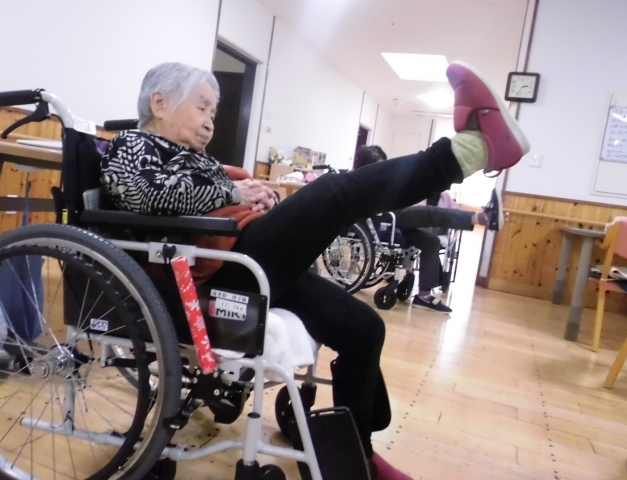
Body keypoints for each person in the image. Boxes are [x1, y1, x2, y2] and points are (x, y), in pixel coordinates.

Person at [101, 61, 530, 480]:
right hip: (209, 275)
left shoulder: (196, 157)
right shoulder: (132, 145)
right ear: (159, 103)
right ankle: (469, 151)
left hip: (247, 256)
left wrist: (258, 197)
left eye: (214, 110)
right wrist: (233, 192)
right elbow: (141, 196)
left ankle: (356, 456)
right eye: (202, 107)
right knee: (333, 191)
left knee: (362, 328)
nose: (211, 120)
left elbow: (219, 197)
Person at [355, 145, 502, 314]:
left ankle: (424, 296)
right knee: (426, 212)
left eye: (383, 165)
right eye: (378, 165)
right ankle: (480, 218)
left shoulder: (382, 181)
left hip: (393, 222)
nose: (381, 170)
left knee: (431, 241)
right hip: (381, 223)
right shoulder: (359, 184)